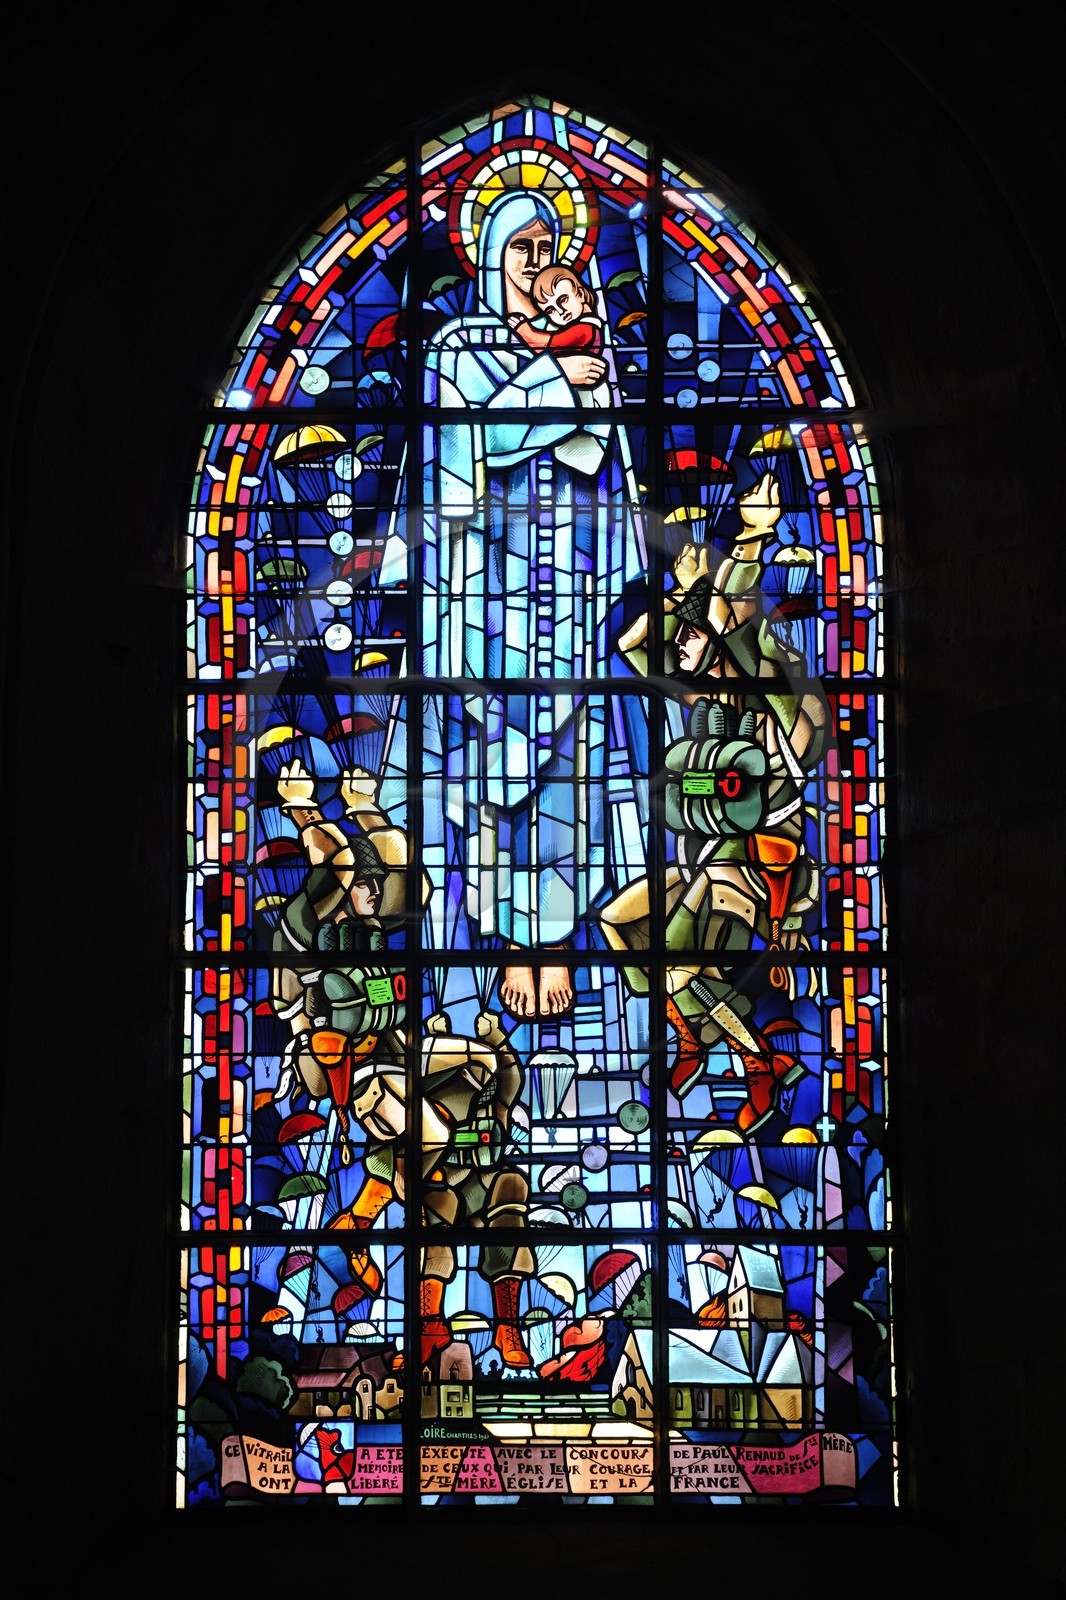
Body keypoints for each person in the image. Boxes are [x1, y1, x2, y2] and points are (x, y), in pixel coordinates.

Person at [418, 188, 648, 1021]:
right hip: (487, 591)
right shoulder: (459, 349)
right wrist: (556, 379)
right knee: (495, 763)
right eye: (522, 248)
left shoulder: (586, 342)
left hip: (569, 572)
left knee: (566, 765)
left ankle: (554, 941)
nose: (538, 263)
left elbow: (603, 454)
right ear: (488, 258)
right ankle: (512, 943)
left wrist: (586, 378)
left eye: (550, 246)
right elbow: (465, 442)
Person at [599, 471, 831, 1133]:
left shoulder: (774, 701)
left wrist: (745, 548)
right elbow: (631, 646)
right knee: (618, 924)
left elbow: (744, 632)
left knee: (671, 960)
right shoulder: (698, 697)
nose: (677, 648)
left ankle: (758, 1062)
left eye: (688, 635)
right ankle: (698, 1038)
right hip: (708, 860)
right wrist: (681, 595)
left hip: (760, 869)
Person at [326, 1008, 537, 1369]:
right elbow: (363, 1210)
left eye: (377, 1103)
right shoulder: (390, 1155)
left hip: (486, 1191)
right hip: (445, 1208)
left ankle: (507, 1326)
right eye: (364, 1115)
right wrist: (354, 1235)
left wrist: (498, 1040)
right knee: (430, 1218)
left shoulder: (467, 1093)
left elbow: (509, 1082)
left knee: (511, 1185)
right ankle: (429, 1326)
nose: (371, 1117)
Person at [271, 757, 429, 1161]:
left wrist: (365, 809)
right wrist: (304, 808)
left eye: (377, 882)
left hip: (386, 1040)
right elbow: (338, 859)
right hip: (327, 1055)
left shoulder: (370, 921)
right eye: (365, 883)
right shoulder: (305, 919)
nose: (374, 890)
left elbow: (416, 881)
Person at [506, 261, 603, 357]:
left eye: (563, 300)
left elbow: (548, 345)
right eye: (550, 311)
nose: (561, 311)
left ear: (580, 294)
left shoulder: (585, 328)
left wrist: (523, 329)